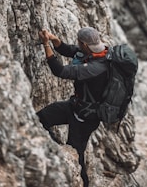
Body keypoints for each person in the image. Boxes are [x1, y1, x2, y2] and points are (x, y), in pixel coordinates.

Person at [37, 27, 109, 187]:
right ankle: (56, 149)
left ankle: (83, 184)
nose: (78, 46)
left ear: (84, 44)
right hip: (75, 107)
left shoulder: (94, 68)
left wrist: (46, 45)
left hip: (86, 118)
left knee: (76, 155)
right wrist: (53, 39)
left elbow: (60, 71)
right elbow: (71, 50)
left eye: (79, 43)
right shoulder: (98, 51)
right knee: (39, 119)